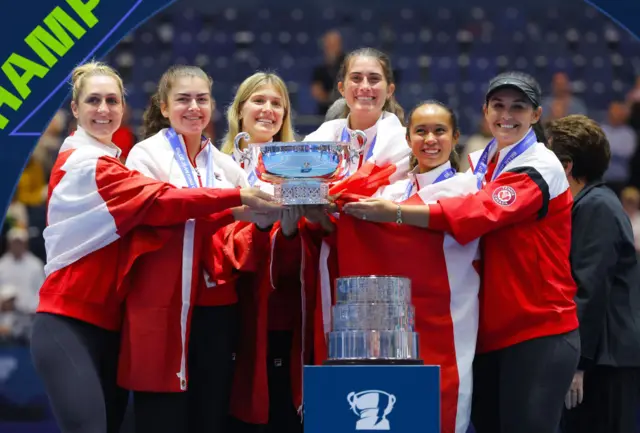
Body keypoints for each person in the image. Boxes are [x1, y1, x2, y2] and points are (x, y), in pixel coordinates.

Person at [28, 61, 277, 433]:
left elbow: (182, 219)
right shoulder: (88, 164)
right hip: (70, 318)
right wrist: (238, 198)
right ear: (75, 110)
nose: (104, 109)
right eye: (93, 101)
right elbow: (164, 202)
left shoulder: (115, 159)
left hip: (112, 321)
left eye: (112, 101)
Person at [343, 71, 580, 433]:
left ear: (536, 115)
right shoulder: (484, 163)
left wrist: (395, 213)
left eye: (518, 107)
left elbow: (480, 213)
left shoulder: (539, 165)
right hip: (494, 330)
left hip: (539, 329)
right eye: (498, 106)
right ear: (485, 111)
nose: (507, 115)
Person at [119, 65, 280, 433]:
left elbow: (250, 225)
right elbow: (162, 208)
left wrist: (276, 212)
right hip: (163, 304)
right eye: (183, 99)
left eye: (202, 99)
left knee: (210, 416)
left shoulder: (224, 166)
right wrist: (232, 202)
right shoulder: (145, 156)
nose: (194, 107)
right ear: (164, 107)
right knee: (163, 417)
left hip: (217, 308)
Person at [328, 100, 480, 433]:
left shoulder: (468, 188)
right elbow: (350, 221)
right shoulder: (392, 190)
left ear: (455, 137)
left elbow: (415, 219)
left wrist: (385, 215)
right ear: (408, 139)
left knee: (442, 415)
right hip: (394, 330)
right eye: (421, 131)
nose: (430, 139)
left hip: (447, 324)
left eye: (440, 131)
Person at [220, 72, 307, 433]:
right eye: (259, 101)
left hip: (281, 323)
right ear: (239, 111)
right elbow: (221, 247)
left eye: (276, 104)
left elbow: (306, 257)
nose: (268, 110)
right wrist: (259, 227)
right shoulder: (216, 168)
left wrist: (287, 233)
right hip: (226, 319)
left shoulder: (305, 169)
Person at [545, 115, 640, 433]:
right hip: (602, 358)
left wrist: (578, 363)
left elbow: (590, 287)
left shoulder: (595, 207)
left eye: (548, 157)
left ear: (566, 165)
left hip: (605, 362)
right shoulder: (591, 204)